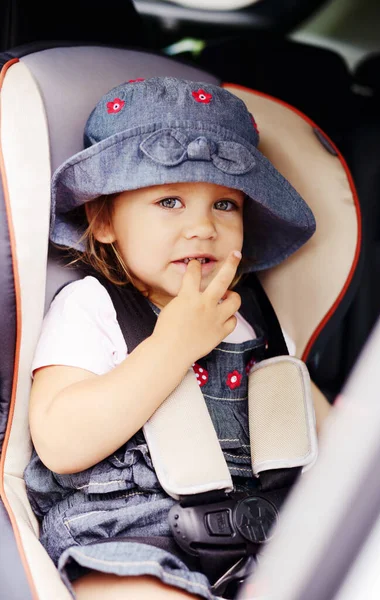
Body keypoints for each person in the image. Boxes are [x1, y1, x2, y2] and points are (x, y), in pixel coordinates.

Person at [24, 77, 331, 600]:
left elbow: (315, 427)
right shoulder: (92, 308)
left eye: (225, 205)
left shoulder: (250, 314)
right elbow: (60, 442)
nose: (203, 227)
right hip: (126, 531)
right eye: (169, 201)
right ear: (104, 221)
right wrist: (172, 345)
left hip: (258, 531)